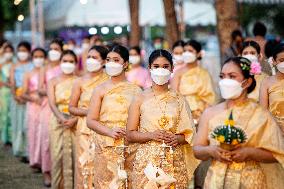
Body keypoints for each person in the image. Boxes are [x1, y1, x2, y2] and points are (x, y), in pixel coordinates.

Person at [193, 57, 284, 189]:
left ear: (246, 82)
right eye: (222, 76)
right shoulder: (210, 113)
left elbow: (276, 153)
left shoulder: (260, 115)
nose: (225, 81)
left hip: (250, 182)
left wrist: (249, 152)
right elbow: (197, 150)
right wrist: (210, 150)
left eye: (232, 76)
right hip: (216, 181)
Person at [126, 49, 198, 188]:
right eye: (156, 66)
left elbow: (189, 134)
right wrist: (151, 135)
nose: (161, 70)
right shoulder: (139, 98)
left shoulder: (179, 99)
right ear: (149, 68)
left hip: (174, 161)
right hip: (147, 164)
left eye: (165, 67)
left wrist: (177, 138)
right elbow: (130, 134)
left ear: (172, 69)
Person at [86, 45, 141, 189]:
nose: (111, 63)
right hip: (106, 144)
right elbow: (90, 120)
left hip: (131, 145)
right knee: (107, 183)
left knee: (130, 182)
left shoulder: (136, 90)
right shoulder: (99, 89)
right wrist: (109, 131)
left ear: (125, 64)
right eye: (109, 60)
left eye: (116, 60)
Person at [69, 45, 109, 189]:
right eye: (89, 57)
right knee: (83, 165)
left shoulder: (110, 81)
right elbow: (71, 108)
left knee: (103, 165)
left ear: (104, 61)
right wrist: (90, 112)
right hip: (84, 129)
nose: (91, 60)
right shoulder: (79, 82)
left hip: (104, 128)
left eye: (95, 58)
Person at [47, 50, 78, 189]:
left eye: (71, 62)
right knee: (57, 155)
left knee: (76, 155)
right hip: (57, 120)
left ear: (76, 64)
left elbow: (84, 103)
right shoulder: (52, 81)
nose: (68, 64)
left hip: (75, 122)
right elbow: (52, 103)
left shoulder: (79, 81)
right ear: (60, 63)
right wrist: (61, 117)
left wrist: (74, 119)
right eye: (65, 61)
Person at [171, 39, 216, 124]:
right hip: (182, 112)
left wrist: (203, 116)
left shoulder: (204, 73)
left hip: (202, 112)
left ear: (198, 53)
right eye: (185, 51)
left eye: (190, 51)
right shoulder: (178, 73)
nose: (187, 53)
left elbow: (209, 97)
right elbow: (174, 95)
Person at [38, 38, 63, 186]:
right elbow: (40, 89)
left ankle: (61, 172)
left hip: (64, 107)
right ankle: (47, 172)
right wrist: (52, 91)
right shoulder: (44, 69)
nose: (54, 52)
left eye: (56, 49)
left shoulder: (66, 66)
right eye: (51, 49)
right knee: (47, 140)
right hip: (48, 106)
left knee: (61, 142)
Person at [22, 48, 46, 171]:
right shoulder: (28, 74)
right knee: (33, 132)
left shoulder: (47, 73)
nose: (38, 59)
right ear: (32, 58)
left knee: (44, 133)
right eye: (36, 56)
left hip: (45, 105)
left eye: (41, 56)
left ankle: (44, 161)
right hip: (33, 106)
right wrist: (34, 99)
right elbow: (23, 94)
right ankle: (35, 160)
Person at [9, 41, 34, 160]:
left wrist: (26, 96)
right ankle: (18, 148)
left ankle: (28, 151)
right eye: (20, 51)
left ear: (29, 52)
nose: (22, 53)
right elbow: (12, 82)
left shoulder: (33, 65)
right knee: (17, 123)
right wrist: (15, 95)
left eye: (24, 50)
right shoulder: (14, 66)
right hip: (16, 98)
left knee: (27, 124)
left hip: (29, 98)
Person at [260, 43, 284, 134]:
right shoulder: (266, 82)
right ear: (274, 61)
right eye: (282, 60)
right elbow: (263, 111)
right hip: (274, 132)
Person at [0, 43, 14, 146]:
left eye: (10, 51)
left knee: (12, 115)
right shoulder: (1, 65)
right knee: (4, 114)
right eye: (6, 51)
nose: (8, 53)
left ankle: (12, 137)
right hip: (4, 92)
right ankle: (5, 138)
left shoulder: (15, 64)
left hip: (14, 92)